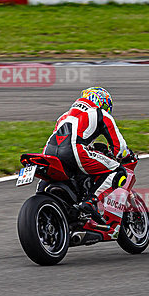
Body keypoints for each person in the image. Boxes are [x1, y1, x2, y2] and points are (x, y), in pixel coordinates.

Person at [43, 87, 130, 231]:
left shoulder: (64, 116)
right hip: (75, 150)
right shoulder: (99, 113)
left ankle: (47, 201)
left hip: (49, 152)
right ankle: (90, 201)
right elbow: (119, 149)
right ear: (103, 102)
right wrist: (125, 155)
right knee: (118, 171)